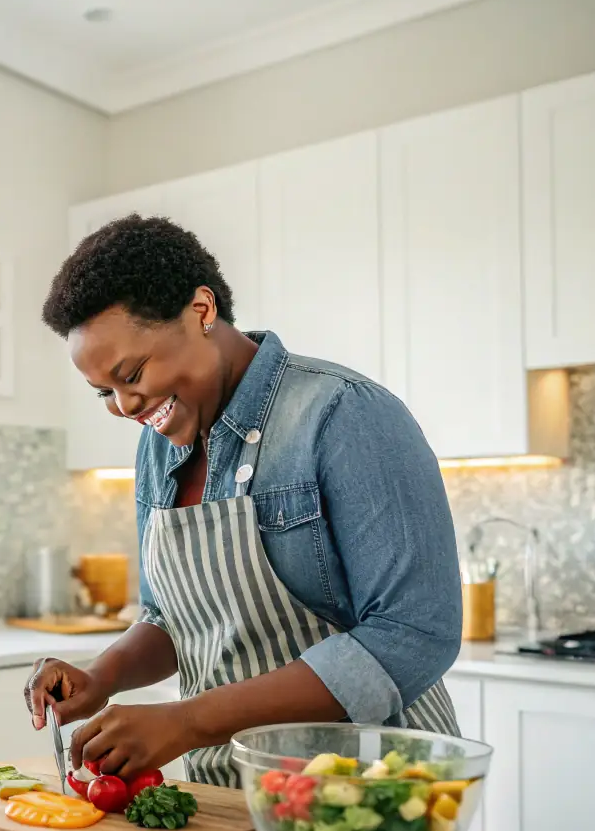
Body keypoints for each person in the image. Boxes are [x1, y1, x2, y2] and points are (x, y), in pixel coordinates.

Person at [24, 214, 462, 787]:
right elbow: (173, 621)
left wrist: (190, 721)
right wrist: (101, 676)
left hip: (372, 787)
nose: (127, 406)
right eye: (105, 392)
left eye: (132, 373)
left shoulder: (343, 414)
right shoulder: (158, 451)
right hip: (231, 787)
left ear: (201, 310)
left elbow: (415, 633)